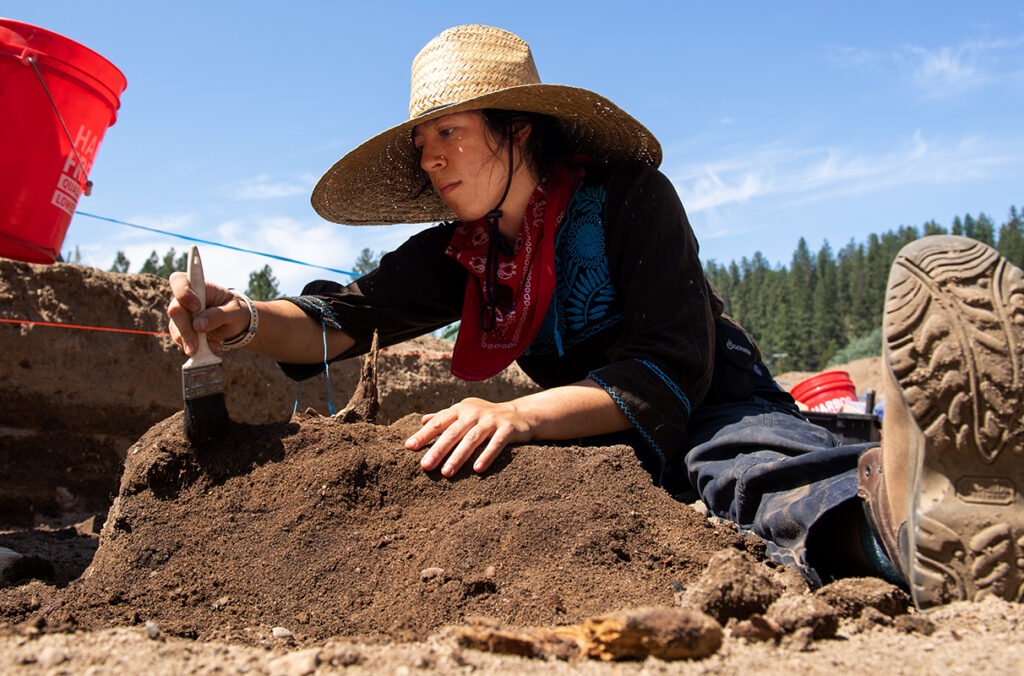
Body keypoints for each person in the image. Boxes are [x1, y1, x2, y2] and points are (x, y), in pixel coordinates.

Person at [168, 25, 1024, 610]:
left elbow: (669, 368)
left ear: (517, 131)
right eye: (420, 142)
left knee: (736, 468)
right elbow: (340, 320)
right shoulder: (458, 253)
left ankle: (910, 523)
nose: (429, 157)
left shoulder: (631, 202)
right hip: (589, 439)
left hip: (707, 400)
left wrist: (517, 413)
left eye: (449, 132)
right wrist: (235, 317)